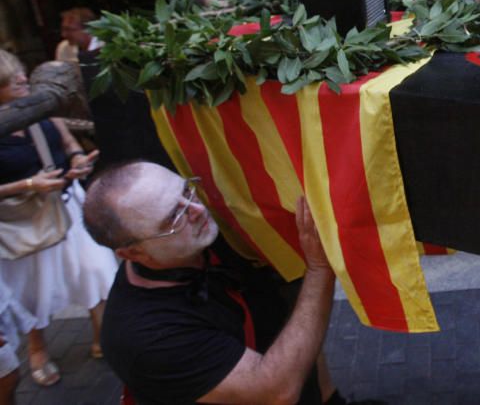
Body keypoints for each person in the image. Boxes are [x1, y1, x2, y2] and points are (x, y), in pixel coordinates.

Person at [83, 160, 360, 405]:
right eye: (174, 217)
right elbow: (276, 392)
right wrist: (319, 268)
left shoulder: (204, 240)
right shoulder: (144, 338)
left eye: (187, 191)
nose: (197, 210)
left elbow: (296, 324)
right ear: (133, 253)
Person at [0, 51, 115, 388]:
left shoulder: (40, 107)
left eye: (21, 71)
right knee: (34, 291)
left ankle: (101, 334)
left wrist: (78, 160)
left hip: (66, 203)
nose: (23, 79)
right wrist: (29, 184)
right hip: (22, 220)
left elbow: (68, 144)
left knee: (96, 269)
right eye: (11, 76)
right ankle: (37, 346)